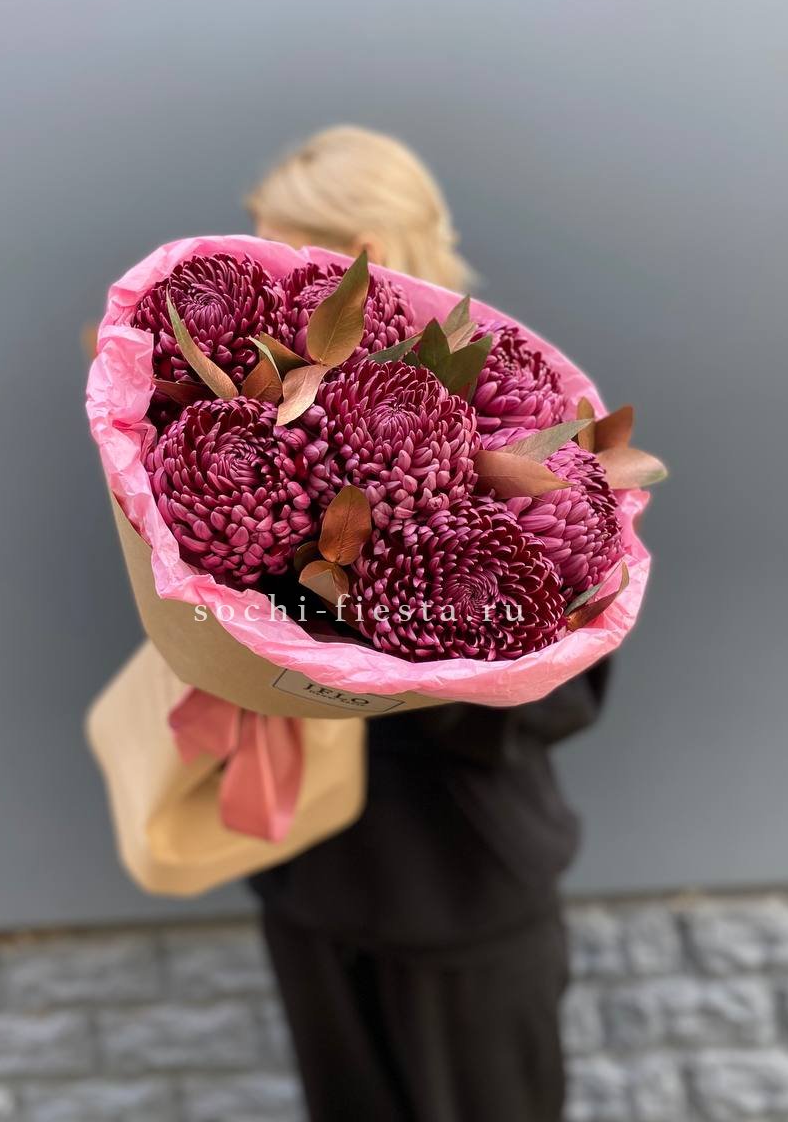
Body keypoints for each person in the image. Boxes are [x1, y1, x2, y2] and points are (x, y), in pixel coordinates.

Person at [246, 125, 609, 1122]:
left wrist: (389, 627)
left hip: (461, 886)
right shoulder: (267, 410)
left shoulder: (519, 419)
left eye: (284, 251)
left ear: (364, 253)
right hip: (312, 879)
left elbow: (566, 694)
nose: (265, 275)